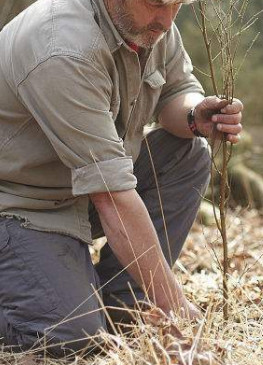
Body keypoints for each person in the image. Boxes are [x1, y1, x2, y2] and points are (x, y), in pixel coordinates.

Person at [0, 0, 243, 356]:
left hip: (75, 191)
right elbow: (112, 197)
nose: (166, 20)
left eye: (177, 5)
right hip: (21, 205)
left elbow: (176, 90)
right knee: (70, 339)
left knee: (187, 152)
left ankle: (123, 305)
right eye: (157, 3)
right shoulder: (63, 47)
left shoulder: (146, 23)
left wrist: (194, 116)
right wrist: (176, 309)